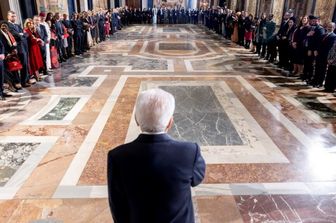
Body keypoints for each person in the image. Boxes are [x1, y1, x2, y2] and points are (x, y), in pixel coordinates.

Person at [107, 88, 206, 223]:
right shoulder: (189, 152)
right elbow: (196, 180)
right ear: (170, 123)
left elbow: (117, 205)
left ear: (136, 120)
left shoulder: (117, 156)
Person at [310, 22, 336, 87]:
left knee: (322, 70)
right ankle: (315, 81)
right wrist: (316, 50)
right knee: (317, 68)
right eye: (328, 26)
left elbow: (330, 48)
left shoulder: (334, 36)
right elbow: (319, 44)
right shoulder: (323, 35)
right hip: (318, 54)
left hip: (325, 55)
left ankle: (320, 83)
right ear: (326, 27)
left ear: (334, 28)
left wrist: (328, 57)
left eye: (331, 27)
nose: (329, 28)